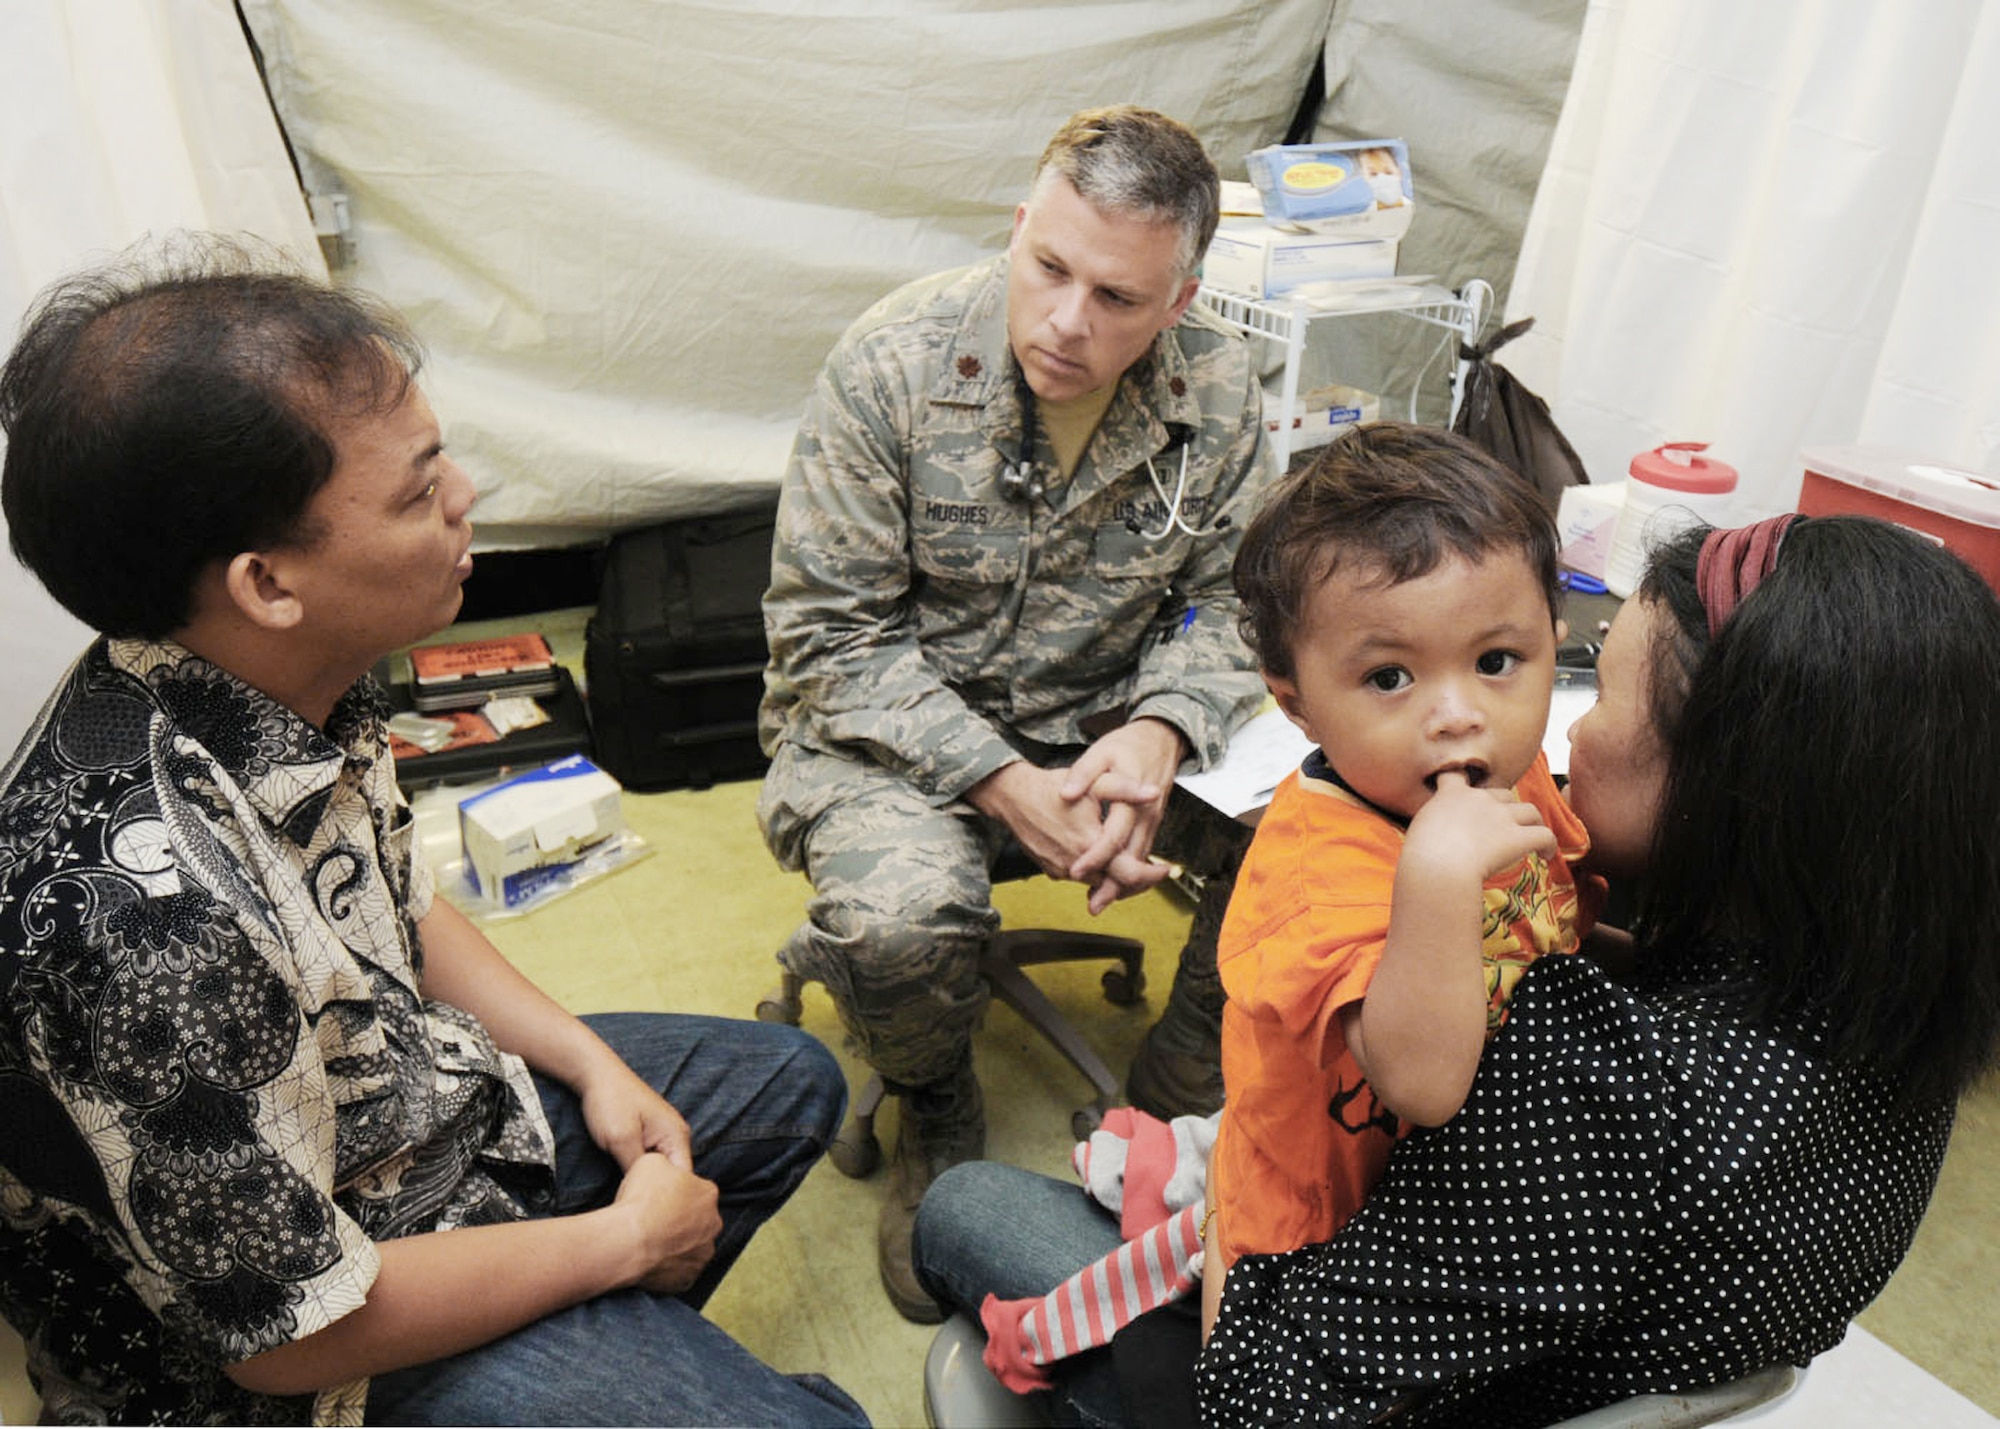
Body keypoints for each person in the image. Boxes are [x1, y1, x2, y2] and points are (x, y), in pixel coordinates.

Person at [0, 239, 866, 1427]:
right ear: (266, 582)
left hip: (403, 1129)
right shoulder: (148, 926)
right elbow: (287, 1335)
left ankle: (613, 1351)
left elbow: (393, 905)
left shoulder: (278, 681)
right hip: (293, 1359)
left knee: (783, 1088)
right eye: (417, 491)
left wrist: (586, 1063)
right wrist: (617, 1245)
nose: (464, 497)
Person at [914, 512, 2000, 1427]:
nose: (1554, 734)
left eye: (1594, 691)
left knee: (961, 1206)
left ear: (1726, 782)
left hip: (1303, 1369)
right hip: (1525, 1350)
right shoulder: (1894, 998)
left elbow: (1258, 1394)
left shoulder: (1599, 1090)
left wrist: (1228, 1224)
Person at [757, 104, 1272, 1320]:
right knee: (897, 923)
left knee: (1315, 831)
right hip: (888, 739)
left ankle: (1177, 1085)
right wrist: (998, 779)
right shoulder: (891, 363)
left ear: (1180, 300)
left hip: (1106, 725)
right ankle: (938, 1114)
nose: (1065, 322)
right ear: (1018, 231)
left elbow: (1238, 608)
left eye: (1117, 298)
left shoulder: (1217, 392)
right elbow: (829, 637)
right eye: (1046, 269)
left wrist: (1157, 730)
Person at [973, 422, 1603, 1390]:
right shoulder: (1317, 870)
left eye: (1496, 659)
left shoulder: (1514, 778)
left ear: (1551, 644)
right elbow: (1422, 1082)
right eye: (1387, 676)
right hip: (1309, 1226)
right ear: (1296, 703)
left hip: (1440, 1193)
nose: (1456, 713)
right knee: (1249, 1383)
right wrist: (1435, 881)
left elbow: (1564, 914)